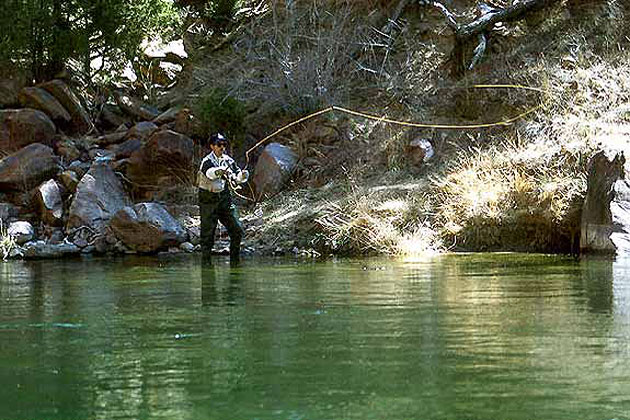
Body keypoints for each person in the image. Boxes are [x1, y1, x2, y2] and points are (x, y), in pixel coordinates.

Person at [198, 133, 249, 263]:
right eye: (219, 145)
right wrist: (219, 171)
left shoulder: (229, 160)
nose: (222, 147)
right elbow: (209, 174)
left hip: (224, 198)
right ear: (212, 146)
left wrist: (242, 176)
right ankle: (206, 266)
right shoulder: (207, 161)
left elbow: (237, 177)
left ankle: (235, 263)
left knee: (237, 231)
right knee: (208, 235)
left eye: (224, 145)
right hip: (208, 198)